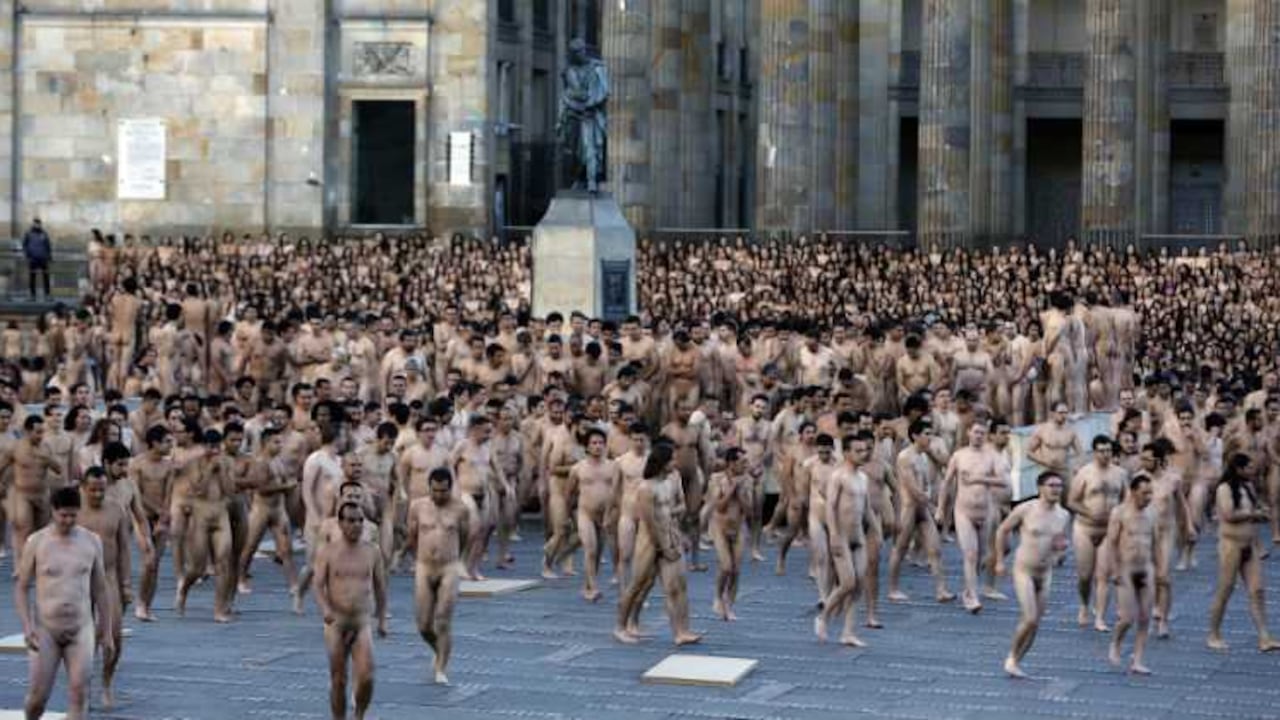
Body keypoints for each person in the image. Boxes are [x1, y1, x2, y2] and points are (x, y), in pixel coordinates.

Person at [14, 486, 112, 720]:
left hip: (81, 628)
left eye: (73, 515)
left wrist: (106, 629)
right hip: (46, 630)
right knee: (38, 698)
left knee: (79, 694)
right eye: (63, 515)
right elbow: (21, 588)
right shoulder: (36, 542)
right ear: (53, 511)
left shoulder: (91, 541)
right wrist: (27, 626)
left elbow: (100, 588)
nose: (68, 520)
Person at [613, 441, 702, 646]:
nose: (675, 462)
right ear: (662, 462)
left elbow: (680, 507)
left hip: (671, 535)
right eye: (672, 459)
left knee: (677, 586)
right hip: (650, 541)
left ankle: (682, 631)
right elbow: (649, 522)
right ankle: (620, 626)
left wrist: (675, 532)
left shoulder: (671, 481)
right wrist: (664, 547)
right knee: (637, 585)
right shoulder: (646, 488)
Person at [313, 501, 389, 720]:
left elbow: (381, 587)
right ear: (341, 523)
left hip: (361, 622)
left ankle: (359, 714)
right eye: (351, 521)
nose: (356, 525)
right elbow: (318, 584)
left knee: (367, 677)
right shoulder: (328, 551)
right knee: (339, 679)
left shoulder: (372, 551)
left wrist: (382, 619)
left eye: (360, 521)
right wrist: (325, 608)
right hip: (336, 623)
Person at [994, 471, 1071, 679]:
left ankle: (1017, 661)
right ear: (1040, 488)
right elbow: (1002, 530)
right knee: (1029, 618)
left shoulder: (1063, 515)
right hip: (1024, 570)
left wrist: (1061, 551)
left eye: (1059, 485)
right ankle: (1010, 657)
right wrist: (1000, 561)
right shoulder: (1026, 509)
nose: (1056, 489)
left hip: (1045, 573)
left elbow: (1059, 546)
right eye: (1051, 485)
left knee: (1036, 622)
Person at [1206, 454, 1280, 652]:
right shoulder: (1224, 489)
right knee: (1226, 589)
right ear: (1238, 469)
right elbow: (1229, 514)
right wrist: (1254, 514)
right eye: (1248, 468)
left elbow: (1250, 512)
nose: (1252, 471)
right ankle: (1213, 633)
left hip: (1249, 545)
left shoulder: (1248, 487)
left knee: (1258, 590)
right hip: (1230, 545)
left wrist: (1259, 513)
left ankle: (1264, 637)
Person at [406, 467, 469, 685]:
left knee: (442, 619)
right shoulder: (417, 507)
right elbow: (412, 535)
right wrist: (417, 558)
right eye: (435, 491)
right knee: (423, 625)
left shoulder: (460, 509)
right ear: (429, 487)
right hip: (424, 566)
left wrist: (456, 560)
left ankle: (442, 667)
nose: (439, 495)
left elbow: (465, 536)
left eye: (443, 491)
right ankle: (438, 649)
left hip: (448, 567)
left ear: (450, 488)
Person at [75, 467, 129, 708]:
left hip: (108, 576)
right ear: (83, 487)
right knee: (81, 637)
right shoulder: (72, 509)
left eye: (101, 489)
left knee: (114, 634)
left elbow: (125, 549)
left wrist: (126, 583)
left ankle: (106, 682)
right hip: (79, 578)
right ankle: (82, 686)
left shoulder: (116, 509)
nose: (97, 494)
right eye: (92, 490)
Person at [816, 433, 874, 647]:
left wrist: (876, 531)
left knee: (858, 585)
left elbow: (867, 509)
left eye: (865, 450)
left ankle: (848, 632)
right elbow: (830, 506)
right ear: (847, 452)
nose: (863, 454)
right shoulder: (838, 476)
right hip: (841, 535)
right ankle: (823, 617)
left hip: (858, 536)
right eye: (858, 451)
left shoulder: (863, 478)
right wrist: (833, 535)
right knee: (847, 582)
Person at [1067, 435, 1128, 631]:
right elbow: (1072, 501)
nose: (1105, 455)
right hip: (1085, 528)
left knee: (1104, 576)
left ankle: (1100, 617)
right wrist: (1088, 512)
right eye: (1101, 451)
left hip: (1108, 530)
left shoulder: (1120, 474)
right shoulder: (1085, 473)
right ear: (1094, 452)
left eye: (1108, 451)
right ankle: (1085, 604)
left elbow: (1127, 500)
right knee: (1085, 576)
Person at [1105, 474, 1159, 674]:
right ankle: (1116, 643)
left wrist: (1159, 569)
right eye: (1144, 493)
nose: (1148, 497)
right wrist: (1114, 569)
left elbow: (1155, 543)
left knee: (1145, 617)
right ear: (1134, 492)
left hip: (1145, 568)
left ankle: (1137, 660)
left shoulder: (1152, 514)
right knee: (1127, 618)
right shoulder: (1119, 513)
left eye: (1150, 493)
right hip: (1126, 569)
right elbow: (1111, 543)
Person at [707, 448, 751, 621]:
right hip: (720, 527)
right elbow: (718, 506)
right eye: (742, 462)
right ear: (731, 463)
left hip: (739, 528)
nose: (745, 465)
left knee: (736, 570)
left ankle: (729, 606)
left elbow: (750, 510)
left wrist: (740, 493)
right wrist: (732, 489)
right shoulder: (716, 479)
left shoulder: (747, 480)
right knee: (726, 567)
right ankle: (718, 597)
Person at [22, 217, 52, 299]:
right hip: (33, 258)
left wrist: (49, 256)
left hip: (43, 258)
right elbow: (24, 245)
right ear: (33, 224)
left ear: (40, 224)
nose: (37, 225)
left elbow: (48, 245)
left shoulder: (44, 233)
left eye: (38, 223)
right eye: (36, 223)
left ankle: (47, 294)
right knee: (32, 277)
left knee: (46, 277)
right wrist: (27, 255)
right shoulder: (28, 233)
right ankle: (32, 294)